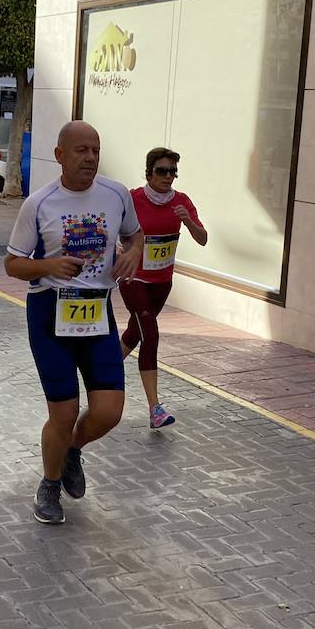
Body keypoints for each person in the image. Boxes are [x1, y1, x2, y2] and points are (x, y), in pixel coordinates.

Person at [4, 120, 144, 525]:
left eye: (96, 150)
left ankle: (71, 450)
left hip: (97, 311)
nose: (90, 158)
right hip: (50, 314)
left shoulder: (117, 194)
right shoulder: (40, 203)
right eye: (81, 150)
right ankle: (49, 485)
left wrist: (134, 252)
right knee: (63, 412)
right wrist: (47, 265)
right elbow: (12, 263)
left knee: (109, 411)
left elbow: (136, 236)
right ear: (60, 155)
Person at [119, 147, 208, 428]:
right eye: (162, 171)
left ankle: (101, 371)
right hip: (134, 279)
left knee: (135, 333)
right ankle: (155, 409)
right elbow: (112, 227)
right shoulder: (133, 199)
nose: (168, 176)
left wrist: (188, 221)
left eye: (173, 171)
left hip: (161, 282)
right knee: (151, 335)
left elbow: (203, 238)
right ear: (148, 173)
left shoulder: (181, 202)